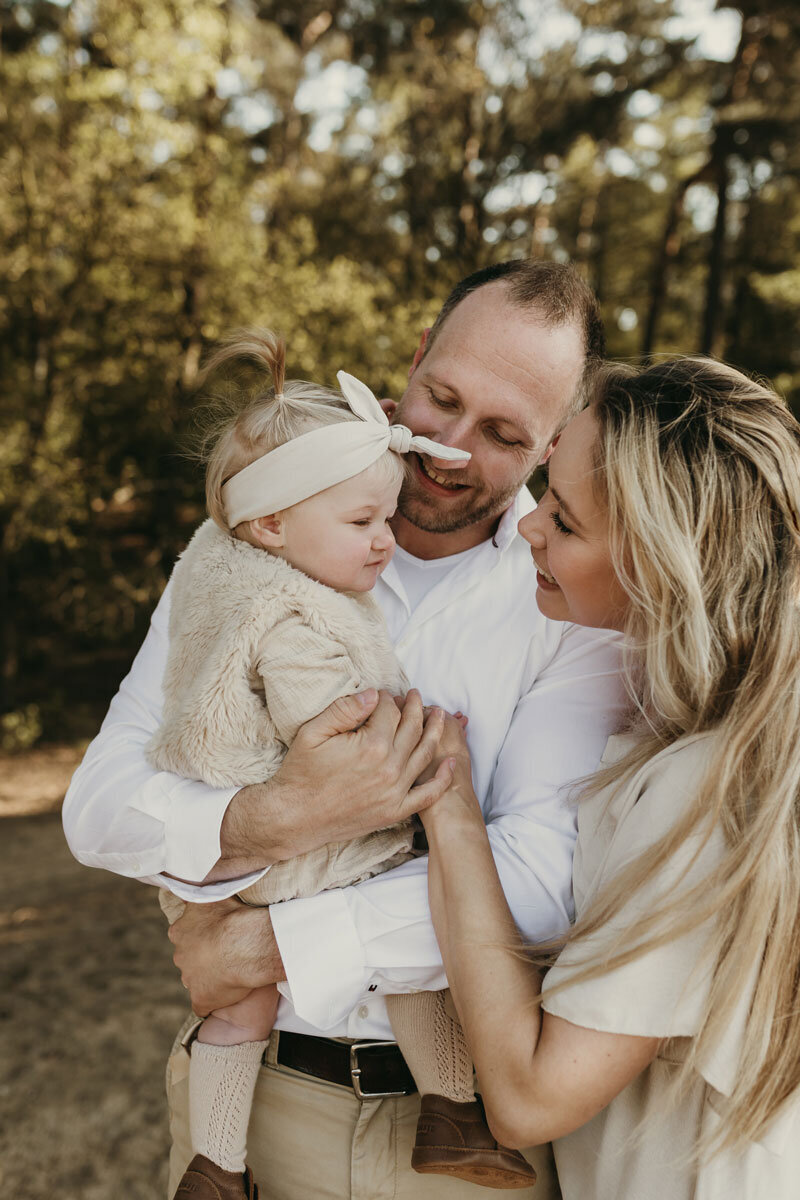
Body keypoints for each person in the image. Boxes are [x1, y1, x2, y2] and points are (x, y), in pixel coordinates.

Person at [63, 260, 626, 1200]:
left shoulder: (571, 593)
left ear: (555, 440)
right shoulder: (250, 535)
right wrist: (272, 818)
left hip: (466, 1126)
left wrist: (266, 947)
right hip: (254, 1105)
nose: (446, 448)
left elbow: (543, 879)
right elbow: (100, 806)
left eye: (501, 434)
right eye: (440, 397)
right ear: (413, 359)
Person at [148, 327, 534, 1198]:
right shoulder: (285, 609)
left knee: (238, 1003)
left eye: (508, 432)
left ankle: (219, 1167)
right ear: (274, 523)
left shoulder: (269, 574)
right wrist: (404, 731)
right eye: (364, 521)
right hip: (297, 846)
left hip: (252, 875)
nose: (383, 540)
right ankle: (451, 1106)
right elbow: (329, 722)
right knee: (411, 925)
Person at [419, 357, 800, 1198]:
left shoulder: (704, 790)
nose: (531, 528)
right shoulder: (721, 736)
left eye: (566, 517)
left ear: (664, 566)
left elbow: (528, 1097)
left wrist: (450, 811)